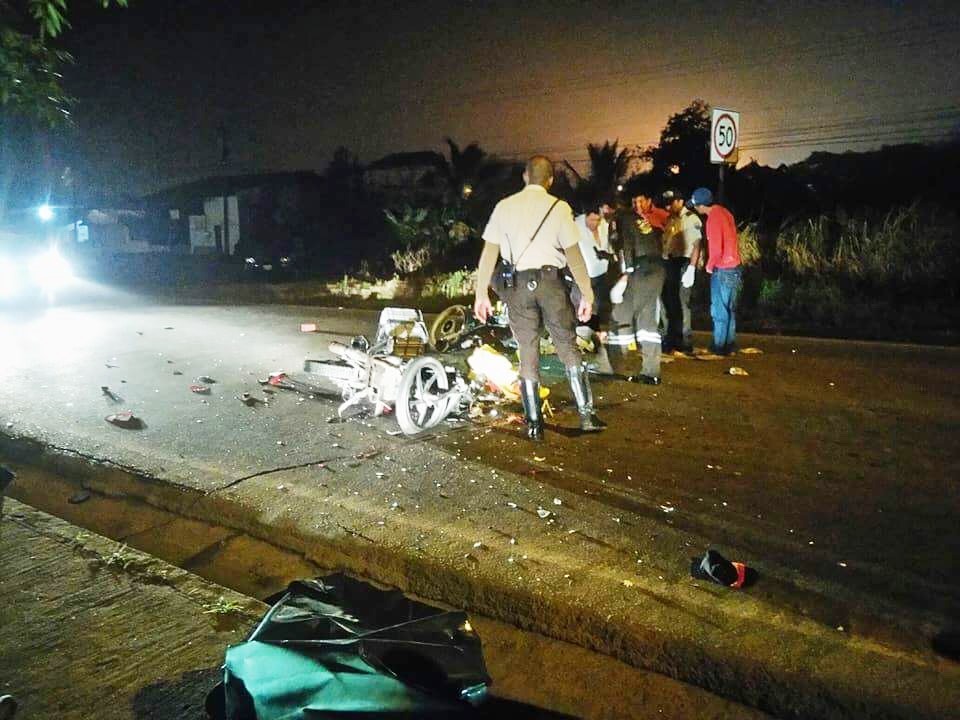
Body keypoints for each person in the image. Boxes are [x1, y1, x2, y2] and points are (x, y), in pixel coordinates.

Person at [474, 156, 605, 441]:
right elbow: (574, 255)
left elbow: (489, 254)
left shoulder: (504, 207)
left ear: (525, 177)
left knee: (527, 350)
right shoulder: (560, 208)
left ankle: (534, 423)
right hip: (550, 284)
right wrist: (587, 292)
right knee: (566, 344)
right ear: (550, 180)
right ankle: (586, 415)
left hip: (517, 287)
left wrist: (481, 293)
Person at [605, 192, 666, 384]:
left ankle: (612, 366)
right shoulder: (638, 218)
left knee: (620, 314)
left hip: (639, 269)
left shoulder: (618, 220)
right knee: (647, 319)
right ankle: (651, 372)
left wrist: (626, 274)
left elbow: (625, 247)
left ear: (610, 208)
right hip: (657, 269)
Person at [687, 187, 741, 355]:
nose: (695, 208)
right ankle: (730, 345)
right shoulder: (726, 213)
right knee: (730, 309)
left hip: (722, 269)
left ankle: (718, 347)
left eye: (696, 205)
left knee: (718, 310)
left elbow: (716, 249)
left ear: (701, 205)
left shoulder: (713, 219)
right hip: (735, 267)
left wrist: (709, 268)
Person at [660, 190, 702, 353]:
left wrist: (691, 268)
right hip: (670, 263)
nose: (668, 206)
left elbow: (697, 245)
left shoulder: (691, 219)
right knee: (669, 302)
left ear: (680, 201)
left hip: (683, 262)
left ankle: (685, 340)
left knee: (682, 303)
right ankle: (671, 338)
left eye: (671, 202)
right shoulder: (671, 219)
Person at [572, 201, 614, 333]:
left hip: (601, 272)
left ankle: (596, 334)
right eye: (591, 220)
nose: (594, 223)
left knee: (599, 306)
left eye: (597, 220)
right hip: (584, 274)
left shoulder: (604, 225)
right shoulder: (575, 225)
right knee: (582, 306)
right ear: (585, 216)